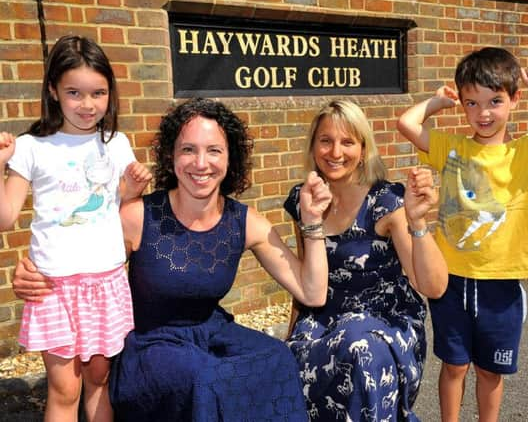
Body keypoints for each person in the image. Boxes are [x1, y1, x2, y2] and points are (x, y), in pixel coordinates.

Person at [14, 97, 332, 422]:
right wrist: (30, 272)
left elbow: (312, 293)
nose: (201, 163)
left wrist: (312, 221)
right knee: (203, 377)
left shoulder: (245, 221)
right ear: (171, 155)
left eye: (214, 150)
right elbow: (74, 255)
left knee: (275, 357)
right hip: (148, 345)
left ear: (230, 157)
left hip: (210, 333)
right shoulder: (138, 216)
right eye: (188, 149)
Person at [396, 47, 528, 422]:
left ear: (514, 99)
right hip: (451, 278)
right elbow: (407, 124)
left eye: (494, 101)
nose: (483, 113)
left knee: (491, 370)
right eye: (471, 103)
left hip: (501, 284)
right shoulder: (452, 147)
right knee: (454, 365)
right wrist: (436, 102)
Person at [0, 35, 151, 422]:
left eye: (98, 93)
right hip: (54, 286)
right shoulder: (30, 147)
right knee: (65, 388)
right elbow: (5, 216)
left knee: (99, 379)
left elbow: (112, 200)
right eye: (74, 93)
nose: (88, 105)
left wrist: (131, 187)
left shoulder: (116, 143)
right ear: (53, 90)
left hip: (106, 280)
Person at [283, 100, 448, 421]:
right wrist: (292, 335)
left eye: (347, 142)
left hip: (384, 320)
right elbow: (307, 278)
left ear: (363, 147)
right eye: (326, 140)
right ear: (314, 145)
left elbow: (434, 286)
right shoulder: (303, 199)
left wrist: (417, 222)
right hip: (323, 317)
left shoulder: (386, 200)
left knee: (360, 350)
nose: (335, 152)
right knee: (285, 360)